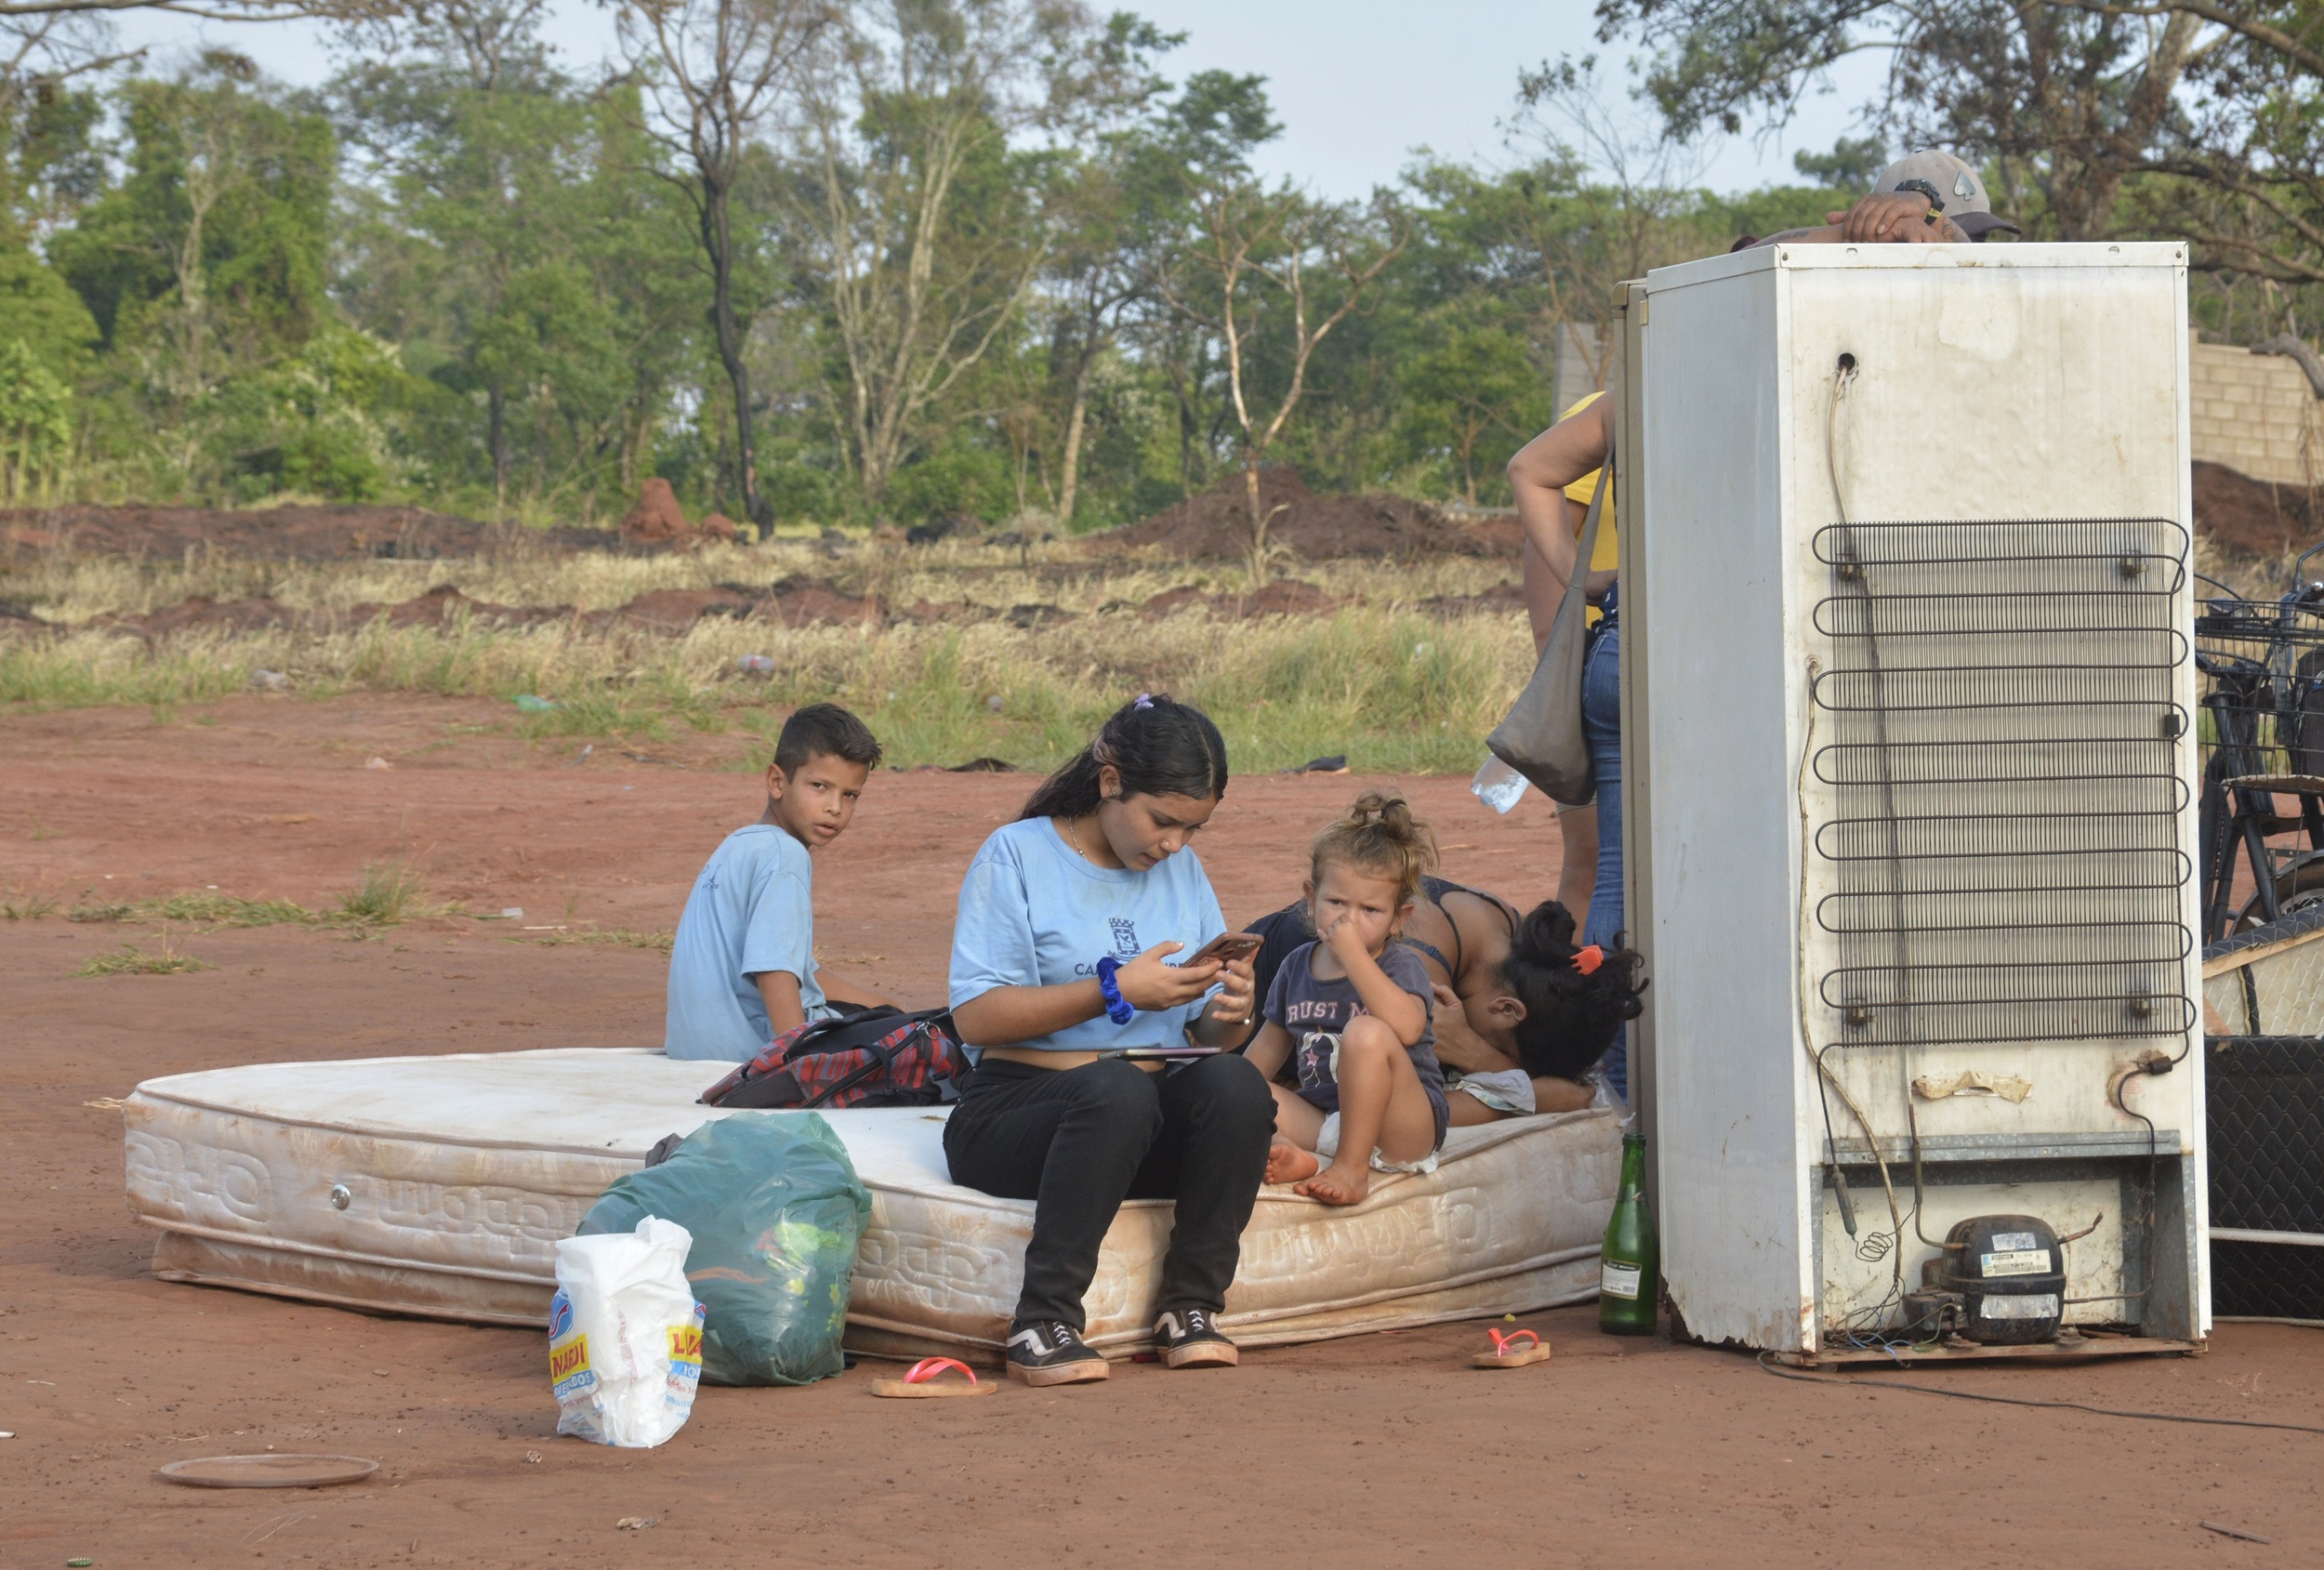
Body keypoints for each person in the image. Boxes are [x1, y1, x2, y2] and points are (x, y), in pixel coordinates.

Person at [1503, 150, 2011, 1094]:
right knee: (1769, 879)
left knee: (1624, 881)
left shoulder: (1677, 369)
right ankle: (1753, 1091)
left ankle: (1629, 1100)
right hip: (1732, 664)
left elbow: (1530, 470)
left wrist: (1593, 599)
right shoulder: (1842, 389)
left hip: (1633, 650)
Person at [944, 694, 1273, 1387]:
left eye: (1194, 828)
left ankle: (1191, 1308)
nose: (1175, 845)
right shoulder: (1018, 854)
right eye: (1163, 821)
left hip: (1138, 1116)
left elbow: (1207, 1035)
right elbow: (976, 1017)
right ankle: (1042, 1320)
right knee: (1117, 1088)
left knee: (1236, 1084)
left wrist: (1232, 1010)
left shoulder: (1179, 868)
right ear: (1112, 780)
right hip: (1019, 1112)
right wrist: (1117, 989)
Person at [1245, 794, 1452, 1205]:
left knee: (1366, 1032)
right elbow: (1262, 1055)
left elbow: (1408, 1029)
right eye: (1336, 902)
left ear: (1399, 918)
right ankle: (1297, 1154)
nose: (1349, 919)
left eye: (1370, 910)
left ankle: (1352, 1171)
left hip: (1403, 1128)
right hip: (1325, 1121)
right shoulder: (1296, 965)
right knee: (1241, 1088)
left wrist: (1355, 957)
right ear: (1310, 897)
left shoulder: (1400, 965)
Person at [663, 703, 893, 1062]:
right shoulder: (786, 856)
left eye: (849, 795)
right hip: (745, 1056)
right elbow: (775, 970)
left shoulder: (739, 844)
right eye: (820, 786)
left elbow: (799, 969)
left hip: (692, 1050)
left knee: (888, 1015)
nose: (835, 806)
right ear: (776, 782)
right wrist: (796, 1067)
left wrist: (883, 1005)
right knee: (906, 1043)